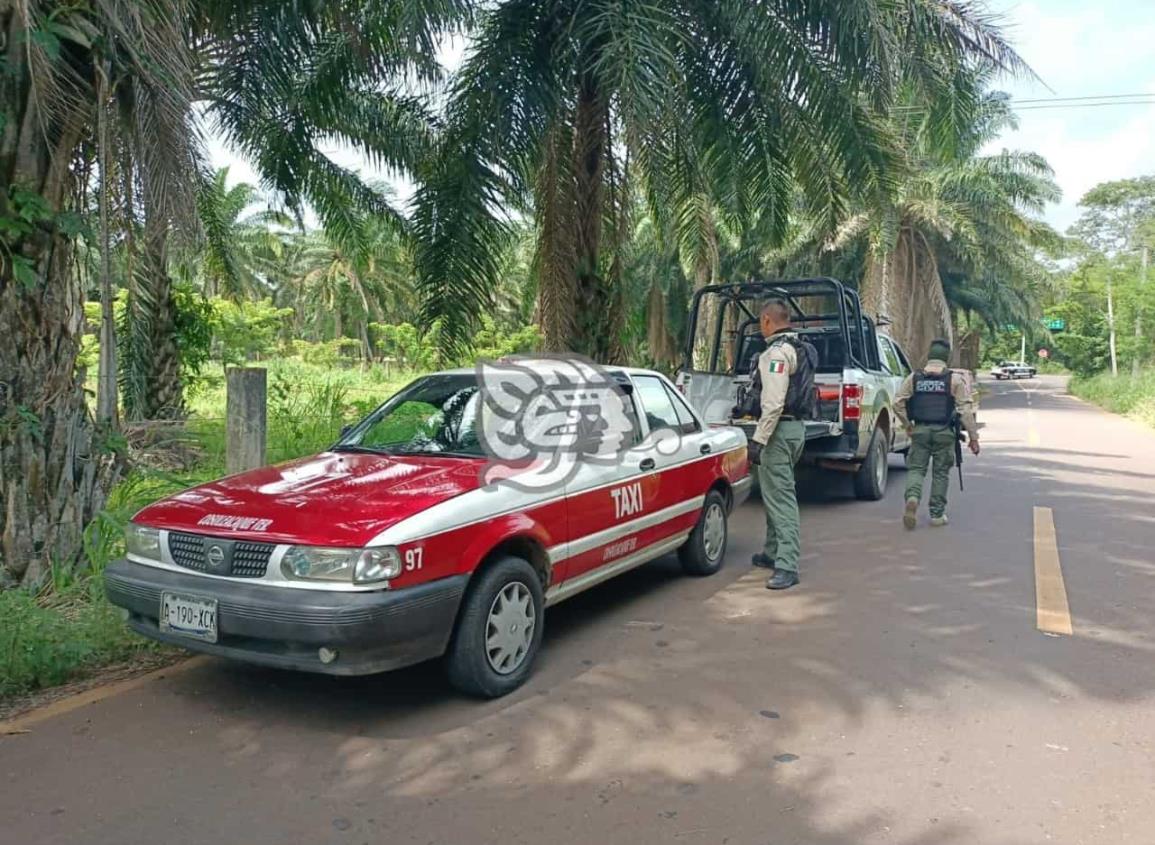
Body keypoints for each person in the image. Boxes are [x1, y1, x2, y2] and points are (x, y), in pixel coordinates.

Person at [747, 300, 813, 590]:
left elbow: (773, 403)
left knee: (781, 498)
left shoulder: (776, 353)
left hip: (778, 432)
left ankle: (787, 564)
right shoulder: (801, 347)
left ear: (766, 320)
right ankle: (772, 551)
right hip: (796, 428)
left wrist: (758, 440)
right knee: (773, 492)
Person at [894, 339, 980, 529]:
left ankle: (913, 497)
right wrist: (973, 438)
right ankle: (936, 515)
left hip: (920, 431)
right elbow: (965, 411)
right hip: (944, 432)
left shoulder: (914, 378)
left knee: (917, 469)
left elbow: (897, 403)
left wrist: (908, 424)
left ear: (929, 356)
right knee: (940, 473)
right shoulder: (954, 380)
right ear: (946, 358)